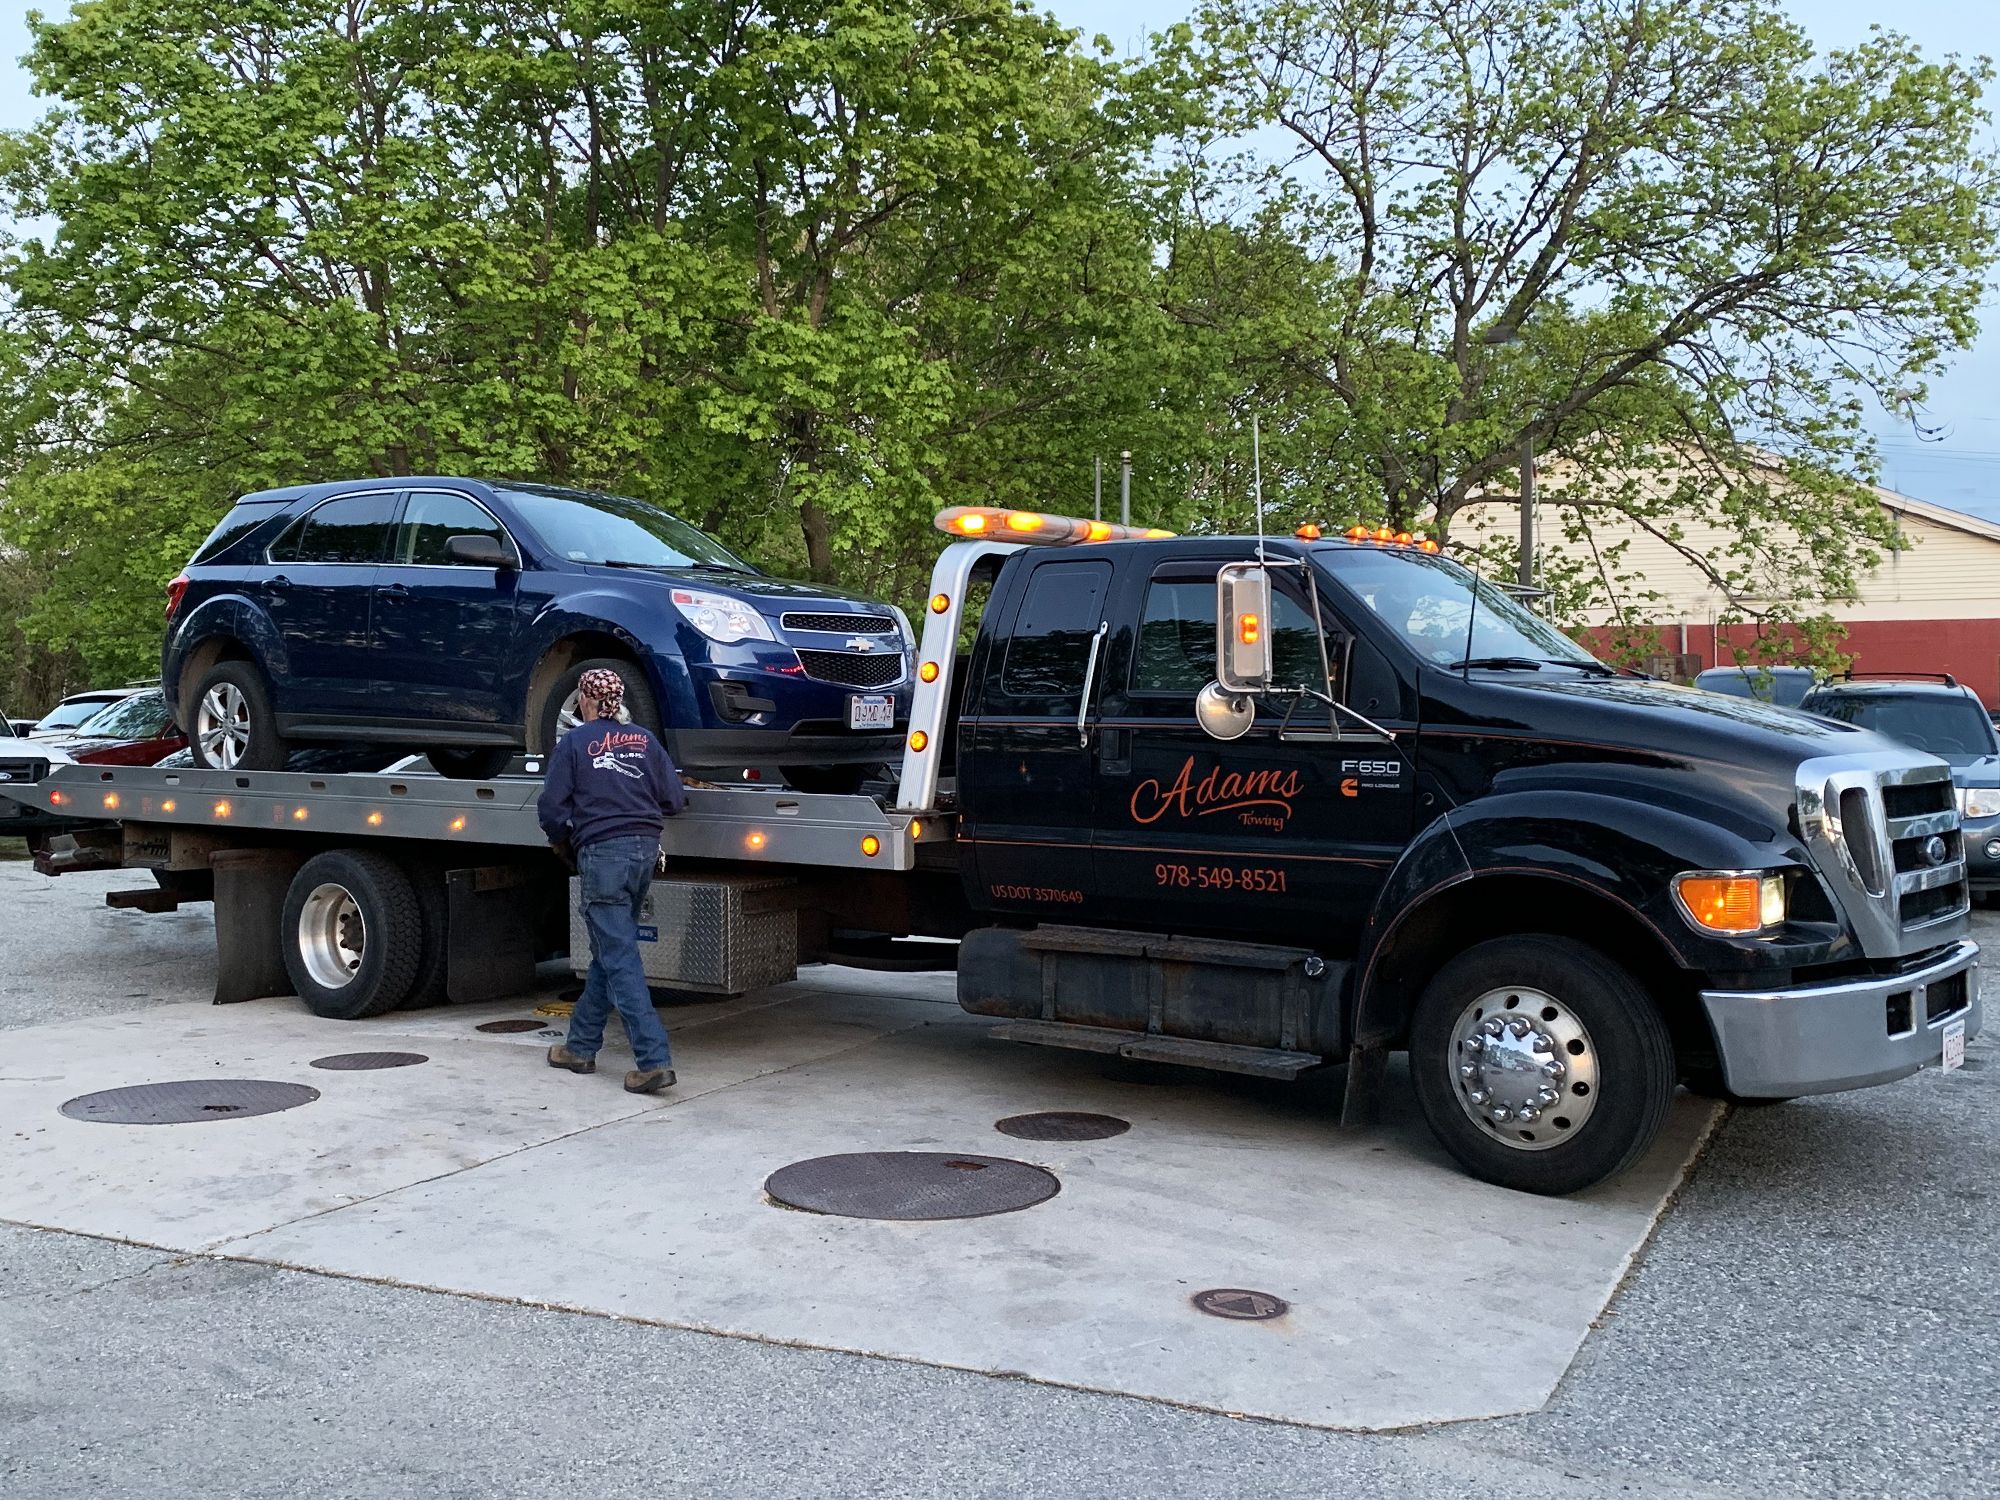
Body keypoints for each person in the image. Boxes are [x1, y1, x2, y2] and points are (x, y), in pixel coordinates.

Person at [536, 668, 688, 1093]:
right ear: (619, 701)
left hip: (603, 856)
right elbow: (674, 799)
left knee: (620, 959)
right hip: (644, 853)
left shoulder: (574, 743)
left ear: (584, 701)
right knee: (610, 952)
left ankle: (654, 1061)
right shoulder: (644, 739)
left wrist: (561, 840)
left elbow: (550, 808)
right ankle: (580, 1047)